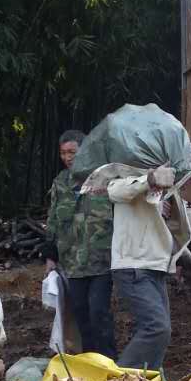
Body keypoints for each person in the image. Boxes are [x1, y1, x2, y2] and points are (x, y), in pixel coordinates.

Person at [107, 166, 191, 371]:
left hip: (154, 267)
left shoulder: (167, 184)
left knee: (162, 332)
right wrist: (149, 179)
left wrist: (182, 254)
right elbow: (114, 191)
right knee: (156, 328)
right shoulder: (126, 175)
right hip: (133, 266)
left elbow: (162, 228)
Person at [43, 129, 117, 360]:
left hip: (102, 261)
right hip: (72, 263)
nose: (67, 157)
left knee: (99, 312)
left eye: (72, 152)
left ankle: (109, 362)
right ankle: (90, 361)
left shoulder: (104, 179)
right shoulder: (60, 183)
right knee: (81, 314)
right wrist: (50, 256)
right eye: (63, 153)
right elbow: (53, 219)